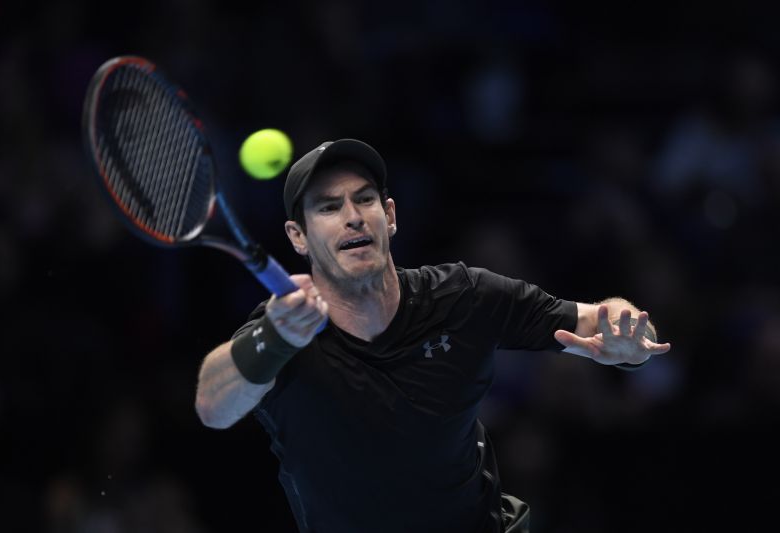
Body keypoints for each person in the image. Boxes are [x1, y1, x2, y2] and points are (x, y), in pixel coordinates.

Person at [194, 139, 672, 533]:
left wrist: (630, 335)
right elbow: (212, 407)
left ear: (390, 215)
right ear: (298, 236)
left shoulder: (461, 297)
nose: (353, 216)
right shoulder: (278, 333)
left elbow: (601, 318)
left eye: (364, 199)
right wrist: (274, 339)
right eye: (329, 207)